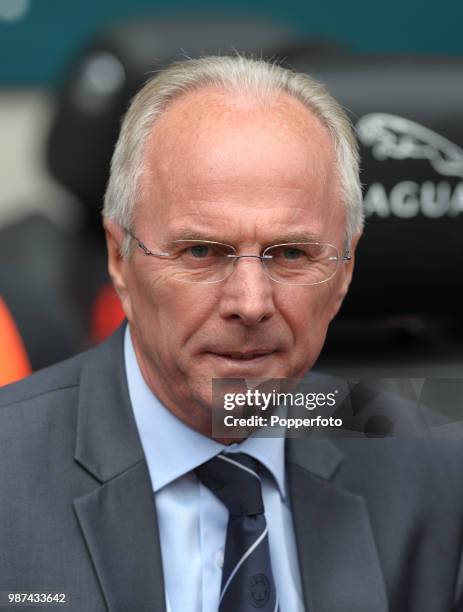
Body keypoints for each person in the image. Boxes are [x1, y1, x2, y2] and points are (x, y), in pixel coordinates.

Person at [1, 55, 463, 612]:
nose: (250, 303)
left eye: (291, 253)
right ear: (118, 260)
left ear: (344, 271)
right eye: (201, 251)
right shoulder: (11, 465)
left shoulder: (431, 460)